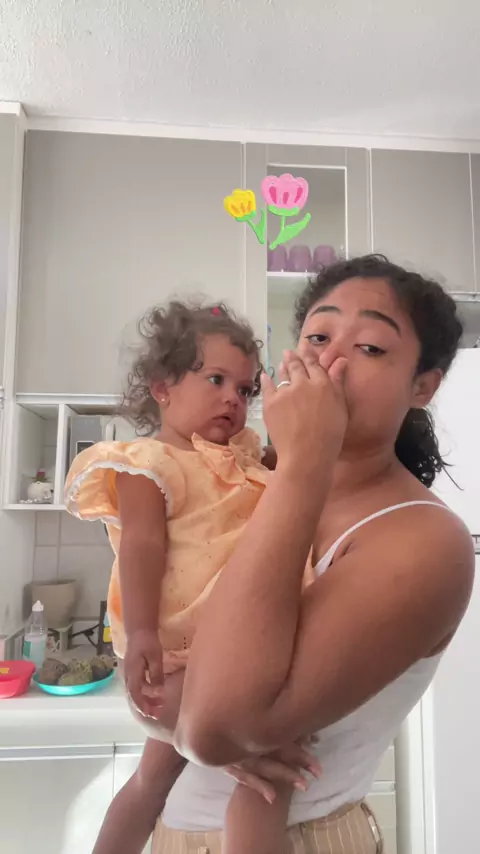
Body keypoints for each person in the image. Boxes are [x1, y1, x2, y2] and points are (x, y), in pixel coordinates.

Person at [145, 255, 474, 854]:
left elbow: (216, 728)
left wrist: (304, 463)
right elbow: (153, 662)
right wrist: (165, 711)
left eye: (371, 347)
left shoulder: (428, 543)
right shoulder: (245, 480)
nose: (330, 361)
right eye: (318, 337)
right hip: (173, 833)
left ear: (422, 386)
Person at [64, 300, 313, 854]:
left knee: (153, 777)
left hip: (239, 638)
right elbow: (142, 546)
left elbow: (292, 482)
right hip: (178, 648)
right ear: (162, 387)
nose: (233, 398)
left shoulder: (244, 457)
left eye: (245, 389)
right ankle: (228, 751)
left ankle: (225, 748)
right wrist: (142, 633)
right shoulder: (146, 463)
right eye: (216, 379)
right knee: (167, 769)